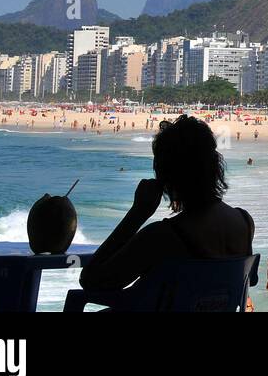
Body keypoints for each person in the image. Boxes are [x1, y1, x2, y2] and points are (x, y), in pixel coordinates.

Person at [79, 114, 255, 292]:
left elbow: (91, 281)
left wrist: (137, 213)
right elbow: (251, 279)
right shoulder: (244, 223)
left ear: (164, 175)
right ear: (216, 166)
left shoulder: (161, 237)